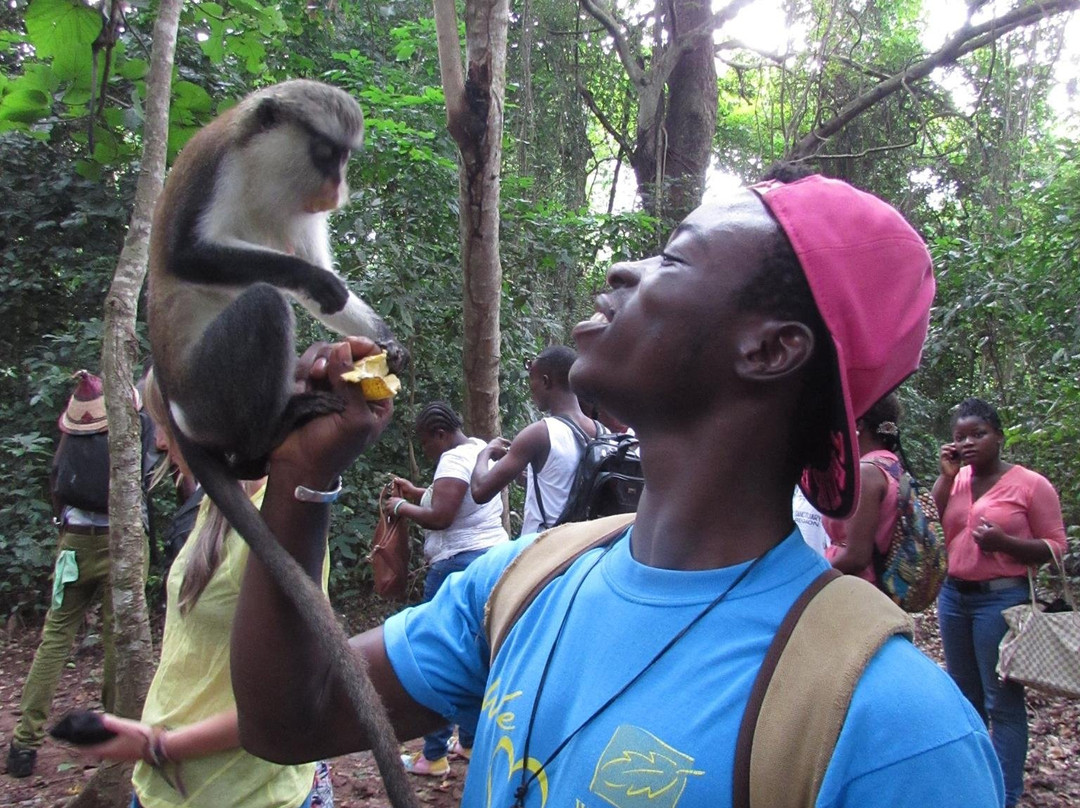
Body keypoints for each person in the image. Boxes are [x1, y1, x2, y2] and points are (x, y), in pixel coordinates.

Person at [229, 175, 1004, 807]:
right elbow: (285, 717)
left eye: (674, 259)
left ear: (769, 349)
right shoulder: (526, 581)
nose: (621, 272)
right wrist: (303, 475)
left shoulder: (892, 730)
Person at [81, 369, 333, 808]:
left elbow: (286, 702)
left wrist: (155, 746)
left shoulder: (277, 529)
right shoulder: (212, 507)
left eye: (167, 425)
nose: (159, 442)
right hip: (167, 789)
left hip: (245, 794)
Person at [7, 370, 152, 779]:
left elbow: (56, 487)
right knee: (116, 639)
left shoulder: (70, 441)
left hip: (73, 544)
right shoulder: (129, 432)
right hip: (119, 543)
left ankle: (23, 745)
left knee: (55, 638)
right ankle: (110, 738)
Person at [933, 396, 1066, 807]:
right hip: (954, 597)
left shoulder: (1030, 484)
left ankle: (1004, 795)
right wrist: (945, 475)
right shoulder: (957, 481)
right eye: (960, 436)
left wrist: (1004, 543)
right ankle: (972, 788)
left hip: (1001, 601)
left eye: (978, 434)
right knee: (964, 697)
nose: (968, 442)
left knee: (1001, 703)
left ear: (999, 437)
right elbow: (941, 519)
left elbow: (1057, 547)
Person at [386, 401, 509, 775]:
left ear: (440, 434)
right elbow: (452, 496)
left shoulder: (453, 458)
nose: (426, 451)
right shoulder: (476, 447)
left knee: (437, 657)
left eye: (426, 443)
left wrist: (399, 508)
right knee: (475, 653)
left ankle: (434, 755)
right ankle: (470, 743)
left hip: (457, 564)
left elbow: (442, 515)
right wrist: (414, 492)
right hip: (490, 559)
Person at [470, 345, 599, 534]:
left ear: (546, 382)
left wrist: (485, 452)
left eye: (532, 380)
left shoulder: (540, 433)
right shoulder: (601, 431)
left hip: (546, 550)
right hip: (585, 546)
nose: (531, 389)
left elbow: (480, 491)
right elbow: (566, 484)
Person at [823, 392, 903, 581]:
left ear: (857, 424)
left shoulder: (867, 472)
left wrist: (807, 579)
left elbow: (856, 557)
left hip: (854, 587)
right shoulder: (891, 464)